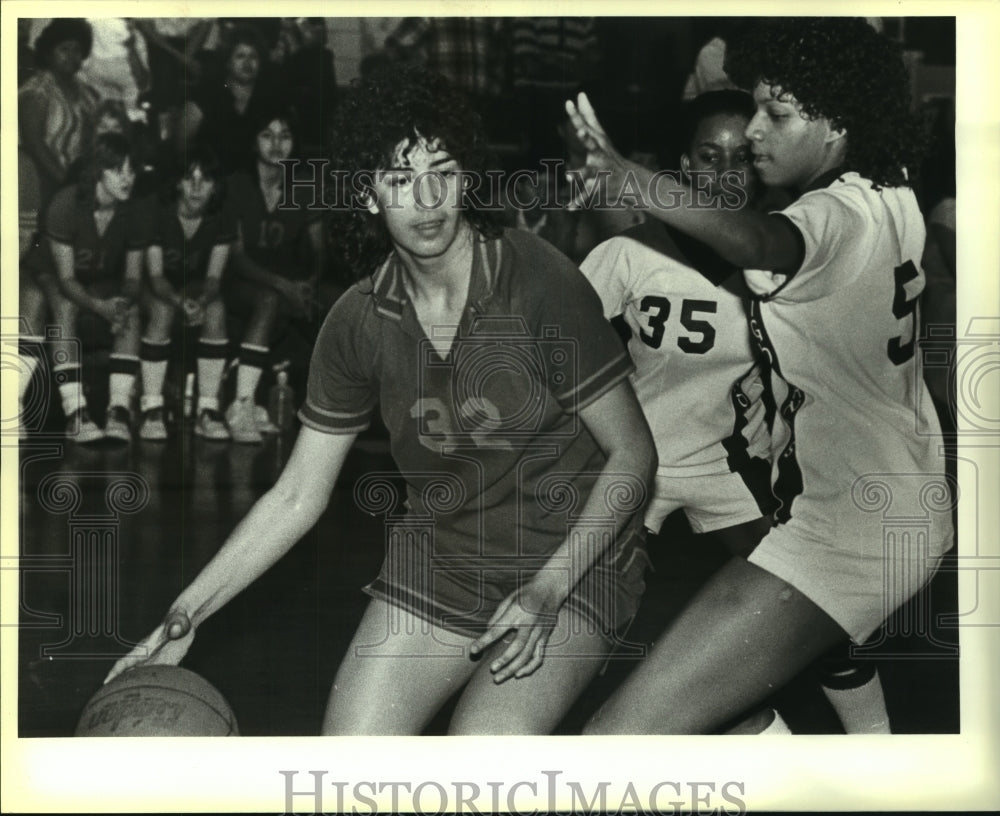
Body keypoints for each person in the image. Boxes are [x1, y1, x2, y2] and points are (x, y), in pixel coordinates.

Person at [106, 68, 656, 736]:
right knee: (350, 763)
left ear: (466, 180)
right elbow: (296, 496)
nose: (426, 200)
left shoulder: (535, 276)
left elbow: (633, 453)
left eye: (442, 173)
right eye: (399, 180)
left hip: (572, 557)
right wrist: (184, 613)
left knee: (483, 757)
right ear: (367, 196)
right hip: (447, 557)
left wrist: (547, 589)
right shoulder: (357, 320)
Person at [566, 17, 953, 734]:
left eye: (776, 114)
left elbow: (756, 239)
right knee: (723, 706)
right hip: (890, 505)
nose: (753, 132)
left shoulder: (830, 216)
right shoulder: (892, 191)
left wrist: (626, 176)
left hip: (851, 530)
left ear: (837, 123)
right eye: (754, 109)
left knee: (617, 739)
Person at [19, 132, 150, 443]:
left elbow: (132, 277)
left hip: (93, 277)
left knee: (127, 308)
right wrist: (100, 307)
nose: (127, 178)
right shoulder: (67, 202)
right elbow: (66, 279)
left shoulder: (134, 210)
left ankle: (118, 410)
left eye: (131, 170)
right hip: (49, 271)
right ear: (97, 171)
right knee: (66, 306)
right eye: (118, 170)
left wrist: (121, 302)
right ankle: (75, 412)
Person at [221, 106, 329, 444]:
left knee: (337, 304)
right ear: (254, 142)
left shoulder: (304, 186)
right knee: (270, 300)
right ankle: (241, 404)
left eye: (285, 136)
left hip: (289, 280)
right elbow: (236, 257)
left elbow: (320, 250)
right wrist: (285, 286)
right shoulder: (236, 184)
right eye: (267, 135)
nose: (277, 144)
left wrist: (310, 283)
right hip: (243, 280)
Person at [138, 146, 236, 441]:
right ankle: (151, 408)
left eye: (204, 179)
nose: (195, 187)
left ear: (215, 185)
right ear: (177, 182)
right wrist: (181, 302)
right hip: (153, 286)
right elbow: (155, 276)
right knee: (162, 310)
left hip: (194, 287)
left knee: (216, 308)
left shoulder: (222, 215)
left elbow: (214, 278)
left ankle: (208, 409)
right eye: (188, 178)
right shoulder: (157, 210)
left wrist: (201, 302)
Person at [18, 19, 101, 205]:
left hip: (77, 182)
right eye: (64, 49)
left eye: (77, 50)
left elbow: (92, 140)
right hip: (40, 182)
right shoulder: (36, 92)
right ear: (47, 54)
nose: (72, 56)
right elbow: (35, 146)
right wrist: (68, 184)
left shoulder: (87, 93)